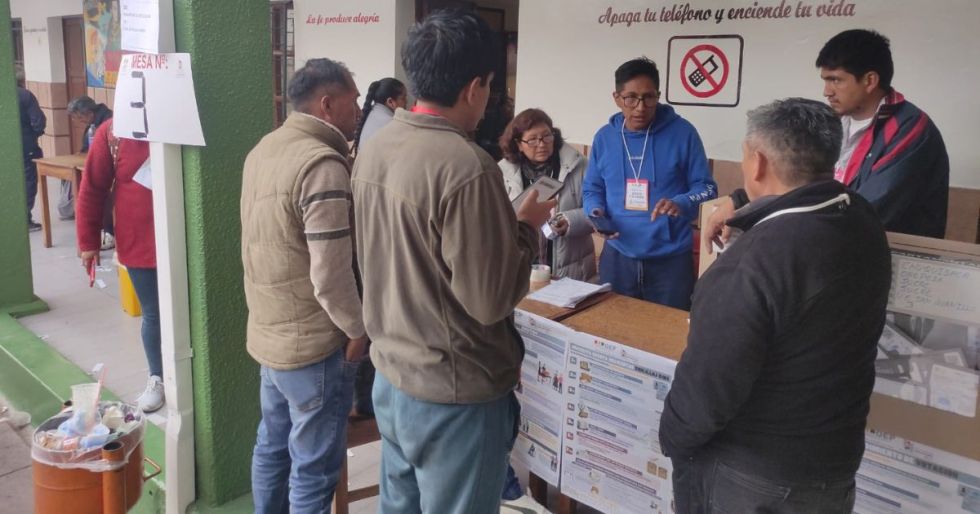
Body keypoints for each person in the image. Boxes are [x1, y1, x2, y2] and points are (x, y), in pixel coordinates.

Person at [351, 9, 554, 514]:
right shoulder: (466, 166)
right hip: (454, 394)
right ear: (475, 88)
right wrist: (524, 229)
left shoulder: (375, 148)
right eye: (489, 86)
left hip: (393, 378)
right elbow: (488, 302)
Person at [659, 98, 891, 514]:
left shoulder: (752, 262)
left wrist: (671, 438)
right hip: (832, 464)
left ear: (758, 162)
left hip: (751, 476)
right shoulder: (861, 221)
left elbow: (708, 390)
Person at [241, 57, 367, 514]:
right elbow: (330, 274)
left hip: (270, 336)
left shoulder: (264, 149)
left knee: (272, 448)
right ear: (328, 104)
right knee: (314, 471)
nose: (359, 111)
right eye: (354, 101)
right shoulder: (322, 165)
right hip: (314, 346)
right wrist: (358, 330)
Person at [704, 30, 950, 249]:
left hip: (882, 261)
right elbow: (794, 178)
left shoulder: (910, 131)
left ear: (870, 81)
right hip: (832, 248)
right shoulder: (833, 121)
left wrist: (762, 223)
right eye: (825, 80)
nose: (827, 91)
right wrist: (740, 202)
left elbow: (863, 213)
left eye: (836, 80)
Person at [582, 58, 716, 310]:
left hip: (670, 262)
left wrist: (681, 202)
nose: (640, 107)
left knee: (666, 339)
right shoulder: (604, 137)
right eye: (631, 98)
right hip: (618, 257)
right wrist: (595, 211)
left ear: (659, 96)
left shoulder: (683, 133)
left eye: (649, 97)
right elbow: (592, 189)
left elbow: (707, 189)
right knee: (614, 335)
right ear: (616, 98)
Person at [75, 120, 163, 414]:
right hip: (139, 242)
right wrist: (88, 241)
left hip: (187, 240)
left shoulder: (180, 116)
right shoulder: (112, 133)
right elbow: (92, 188)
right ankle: (158, 377)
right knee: (154, 314)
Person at [349, 76, 406, 419]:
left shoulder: (371, 122)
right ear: (394, 101)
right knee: (373, 329)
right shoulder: (390, 127)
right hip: (381, 238)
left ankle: (365, 401)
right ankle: (367, 402)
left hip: (368, 237)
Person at [499, 109, 595, 282]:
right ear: (519, 144)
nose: (542, 144)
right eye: (533, 139)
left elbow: (597, 208)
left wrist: (570, 220)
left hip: (571, 267)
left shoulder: (578, 166)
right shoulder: (503, 173)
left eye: (546, 136)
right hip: (521, 266)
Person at [67, 95, 116, 248]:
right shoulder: (91, 125)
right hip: (92, 164)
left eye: (79, 117)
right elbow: (85, 149)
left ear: (88, 113)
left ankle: (109, 231)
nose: (79, 121)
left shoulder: (108, 122)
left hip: (111, 170)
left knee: (102, 194)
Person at [16, 67, 46, 232]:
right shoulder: (25, 95)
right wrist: (34, 133)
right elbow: (38, 121)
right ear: (21, 80)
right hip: (27, 145)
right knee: (28, 180)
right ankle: (24, 219)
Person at [353, 77, 407, 156]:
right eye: (403, 98)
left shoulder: (371, 113)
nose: (407, 102)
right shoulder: (391, 124)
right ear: (390, 102)